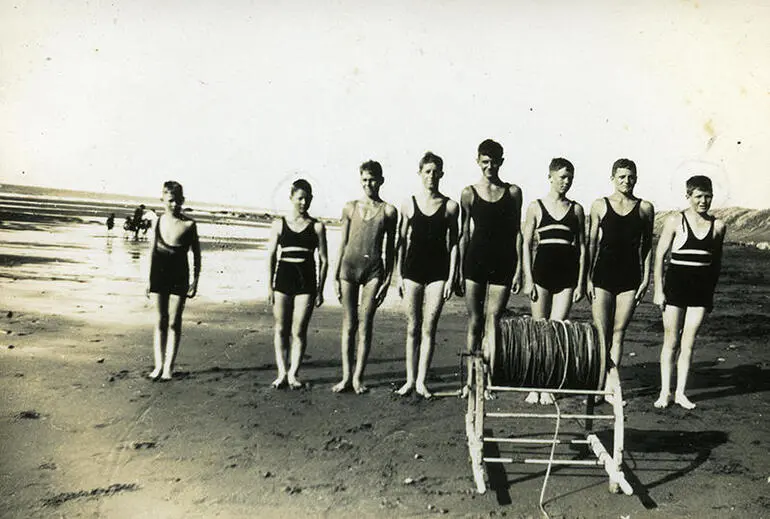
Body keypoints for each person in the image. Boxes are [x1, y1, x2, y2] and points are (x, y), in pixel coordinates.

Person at [653, 175, 726, 410]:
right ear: (688, 196)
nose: (703, 201)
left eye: (708, 196)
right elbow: (659, 255)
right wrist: (659, 290)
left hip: (701, 292)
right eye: (698, 196)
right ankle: (665, 392)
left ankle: (681, 393)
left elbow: (716, 264)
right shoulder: (676, 221)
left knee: (689, 342)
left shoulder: (718, 226)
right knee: (671, 341)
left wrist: (711, 295)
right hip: (675, 287)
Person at [458, 139, 523, 398]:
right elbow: (463, 234)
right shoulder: (468, 192)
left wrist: (519, 269)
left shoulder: (513, 192)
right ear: (478, 161)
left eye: (493, 161)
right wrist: (458, 271)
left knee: (493, 322)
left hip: (503, 261)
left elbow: (517, 232)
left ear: (501, 162)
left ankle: (488, 379)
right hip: (475, 260)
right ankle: (471, 380)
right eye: (484, 161)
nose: (489, 166)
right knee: (475, 320)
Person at [588, 159, 654, 403]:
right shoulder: (600, 205)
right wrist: (586, 279)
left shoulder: (645, 208)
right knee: (601, 333)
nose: (626, 181)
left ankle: (610, 388)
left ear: (636, 178)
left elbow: (647, 246)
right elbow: (591, 244)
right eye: (621, 176)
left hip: (630, 278)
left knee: (618, 333)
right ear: (613, 177)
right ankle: (597, 386)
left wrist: (646, 278)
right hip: (602, 275)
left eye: (630, 176)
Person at [521, 158, 587, 404]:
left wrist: (581, 282)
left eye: (570, 177)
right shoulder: (536, 206)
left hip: (567, 277)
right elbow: (526, 244)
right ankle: (534, 384)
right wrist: (528, 278)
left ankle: (548, 384)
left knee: (557, 330)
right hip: (542, 275)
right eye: (562, 177)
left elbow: (582, 247)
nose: (566, 182)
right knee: (539, 330)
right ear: (550, 177)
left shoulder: (577, 209)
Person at [395, 152, 460, 398]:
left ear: (441, 174)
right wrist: (398, 275)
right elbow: (400, 242)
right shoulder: (408, 203)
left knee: (429, 328)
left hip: (438, 274)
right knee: (412, 327)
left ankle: (422, 381)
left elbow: (454, 244)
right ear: (420, 174)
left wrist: (452, 278)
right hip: (412, 271)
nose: (431, 176)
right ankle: (410, 380)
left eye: (435, 172)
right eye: (427, 171)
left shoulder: (450, 206)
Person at [333, 160, 398, 394]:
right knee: (349, 324)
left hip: (373, 272)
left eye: (372, 179)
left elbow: (391, 249)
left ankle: (359, 377)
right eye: (364, 180)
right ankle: (346, 377)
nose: (368, 184)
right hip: (348, 269)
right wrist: (334, 276)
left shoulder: (389, 211)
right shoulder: (349, 207)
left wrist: (388, 280)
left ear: (381, 180)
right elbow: (342, 242)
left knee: (366, 323)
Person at [266, 179, 329, 389]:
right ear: (291, 198)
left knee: (299, 330)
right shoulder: (279, 224)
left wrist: (320, 290)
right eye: (299, 198)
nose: (303, 202)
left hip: (307, 280)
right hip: (283, 277)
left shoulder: (317, 226)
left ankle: (294, 374)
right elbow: (271, 256)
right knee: (281, 328)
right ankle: (282, 372)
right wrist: (269, 286)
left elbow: (324, 259)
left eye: (307, 198)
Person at [146, 181, 201, 381]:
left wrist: (195, 280)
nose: (174, 205)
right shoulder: (157, 222)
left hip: (179, 274)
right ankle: (158, 365)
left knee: (174, 321)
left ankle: (169, 367)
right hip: (158, 272)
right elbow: (151, 252)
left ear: (183, 201)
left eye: (178, 201)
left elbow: (197, 255)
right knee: (160, 320)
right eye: (170, 201)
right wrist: (147, 280)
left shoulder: (189, 224)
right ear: (163, 200)